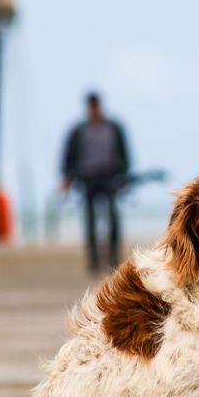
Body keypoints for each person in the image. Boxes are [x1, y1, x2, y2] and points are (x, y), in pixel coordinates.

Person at [61, 92, 131, 271]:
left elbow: (123, 153)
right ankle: (93, 260)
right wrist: (67, 178)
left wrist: (124, 176)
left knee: (113, 217)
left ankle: (114, 257)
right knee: (90, 220)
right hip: (88, 179)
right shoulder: (79, 131)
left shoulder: (113, 128)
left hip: (109, 177)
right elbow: (69, 156)